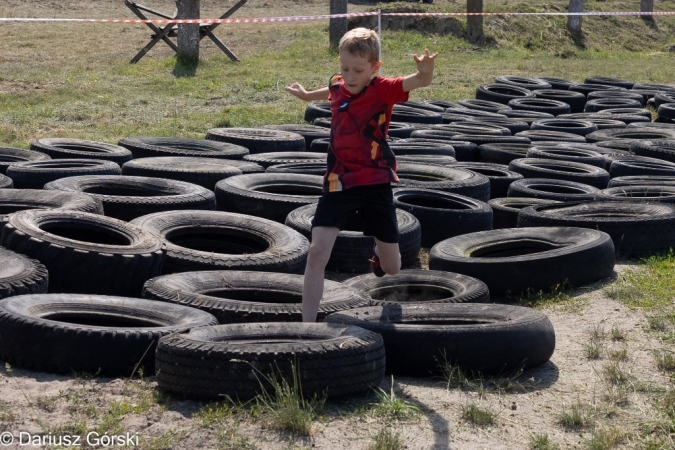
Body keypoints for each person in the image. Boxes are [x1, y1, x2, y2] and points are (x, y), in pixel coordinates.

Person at [285, 27, 438, 323]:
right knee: (317, 253)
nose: (350, 76)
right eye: (344, 68)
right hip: (338, 180)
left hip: (375, 181)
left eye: (358, 70)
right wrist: (306, 96)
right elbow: (331, 90)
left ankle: (378, 254)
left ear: (375, 68)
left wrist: (426, 71)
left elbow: (419, 81)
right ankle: (307, 326)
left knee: (393, 268)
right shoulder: (338, 84)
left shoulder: (382, 88)